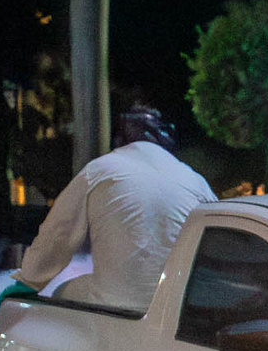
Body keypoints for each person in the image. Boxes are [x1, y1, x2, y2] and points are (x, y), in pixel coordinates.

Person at [12, 107, 215, 311]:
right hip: (179, 308)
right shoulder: (197, 182)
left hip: (118, 304)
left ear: (120, 138)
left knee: (60, 292)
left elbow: (58, 233)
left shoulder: (101, 169)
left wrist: (29, 281)